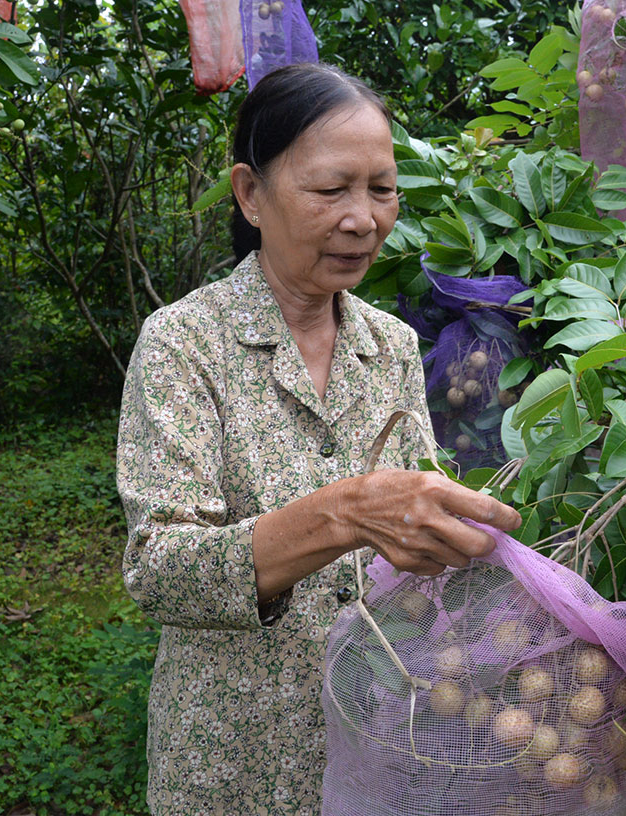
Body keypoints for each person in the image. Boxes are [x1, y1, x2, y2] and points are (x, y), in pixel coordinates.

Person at [116, 62, 521, 815]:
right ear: (250, 194)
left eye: (382, 189)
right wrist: (344, 514)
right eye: (331, 190)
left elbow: (409, 551)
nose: (363, 218)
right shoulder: (184, 344)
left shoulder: (393, 346)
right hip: (236, 758)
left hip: (379, 746)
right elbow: (159, 570)